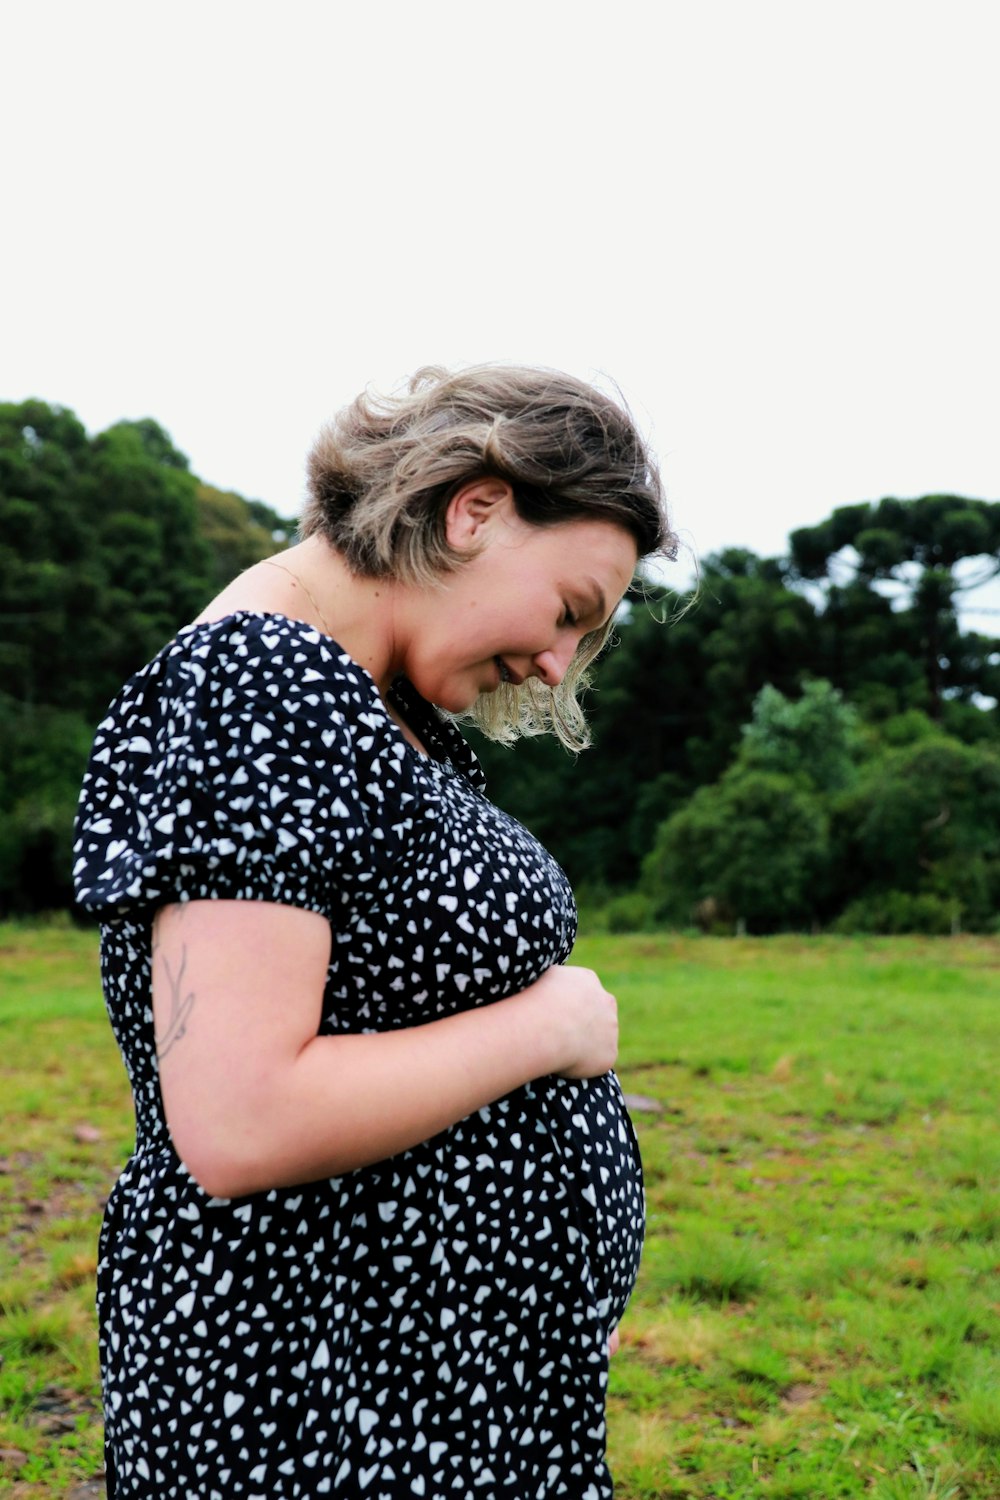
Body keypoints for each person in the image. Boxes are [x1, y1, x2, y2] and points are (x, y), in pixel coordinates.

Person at [73, 364, 675, 1500]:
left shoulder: (364, 703)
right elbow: (241, 1122)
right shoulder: (262, 682)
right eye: (569, 611)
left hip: (423, 1375)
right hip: (321, 1389)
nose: (556, 664)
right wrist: (551, 1026)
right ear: (477, 509)